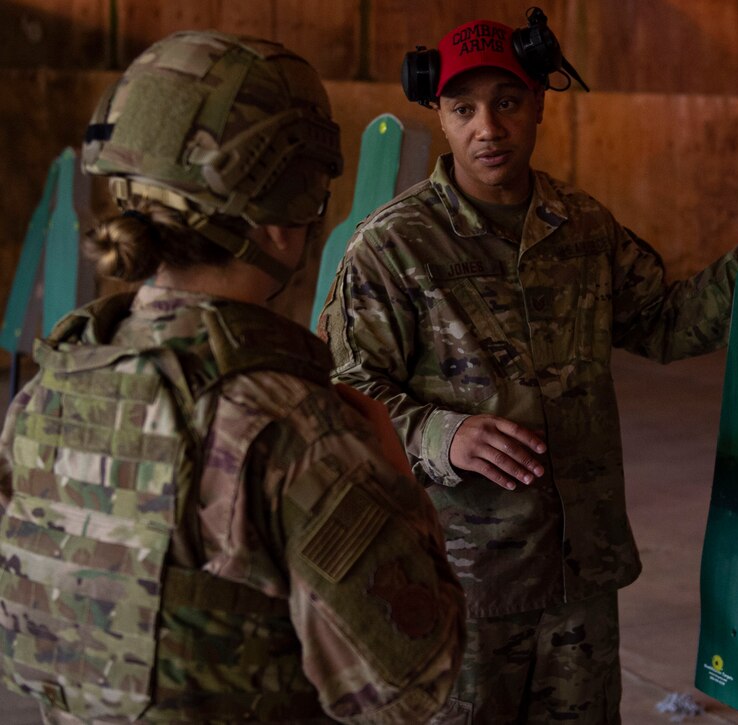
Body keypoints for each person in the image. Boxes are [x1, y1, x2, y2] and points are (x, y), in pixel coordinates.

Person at [317, 10, 738, 724]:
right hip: (467, 579)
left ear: (539, 104)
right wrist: (444, 433)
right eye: (464, 109)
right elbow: (344, 395)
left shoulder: (582, 227)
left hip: (579, 576)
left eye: (507, 101)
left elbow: (664, 320)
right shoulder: (394, 246)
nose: (488, 128)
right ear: (439, 114)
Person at [0, 30, 463, 724]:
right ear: (287, 215)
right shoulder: (287, 424)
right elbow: (410, 682)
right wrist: (398, 483)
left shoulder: (51, 387)